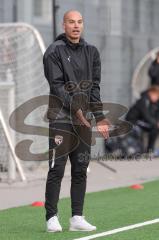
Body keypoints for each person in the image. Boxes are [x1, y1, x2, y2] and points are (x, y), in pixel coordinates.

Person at [43, 10, 109, 232]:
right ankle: (51, 217)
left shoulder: (92, 52)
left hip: (84, 121)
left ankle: (77, 218)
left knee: (81, 168)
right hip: (61, 118)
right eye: (71, 22)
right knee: (57, 168)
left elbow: (95, 87)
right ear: (64, 25)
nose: (76, 26)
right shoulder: (54, 52)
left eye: (79, 22)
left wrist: (99, 116)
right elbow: (57, 86)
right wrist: (77, 111)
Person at [126, 86, 159, 153]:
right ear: (151, 93)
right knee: (154, 127)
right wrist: (156, 123)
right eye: (157, 96)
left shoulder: (152, 102)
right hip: (133, 121)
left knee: (154, 128)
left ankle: (150, 149)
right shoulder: (143, 100)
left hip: (142, 121)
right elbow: (146, 116)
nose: (157, 98)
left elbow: (153, 115)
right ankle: (148, 150)